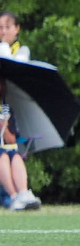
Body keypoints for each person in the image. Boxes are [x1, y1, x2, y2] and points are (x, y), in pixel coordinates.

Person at [0, 78, 39, 210]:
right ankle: (13, 197)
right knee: (3, 156)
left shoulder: (6, 110)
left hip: (5, 148)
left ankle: (23, 193)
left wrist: (3, 126)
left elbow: (11, 140)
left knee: (14, 156)